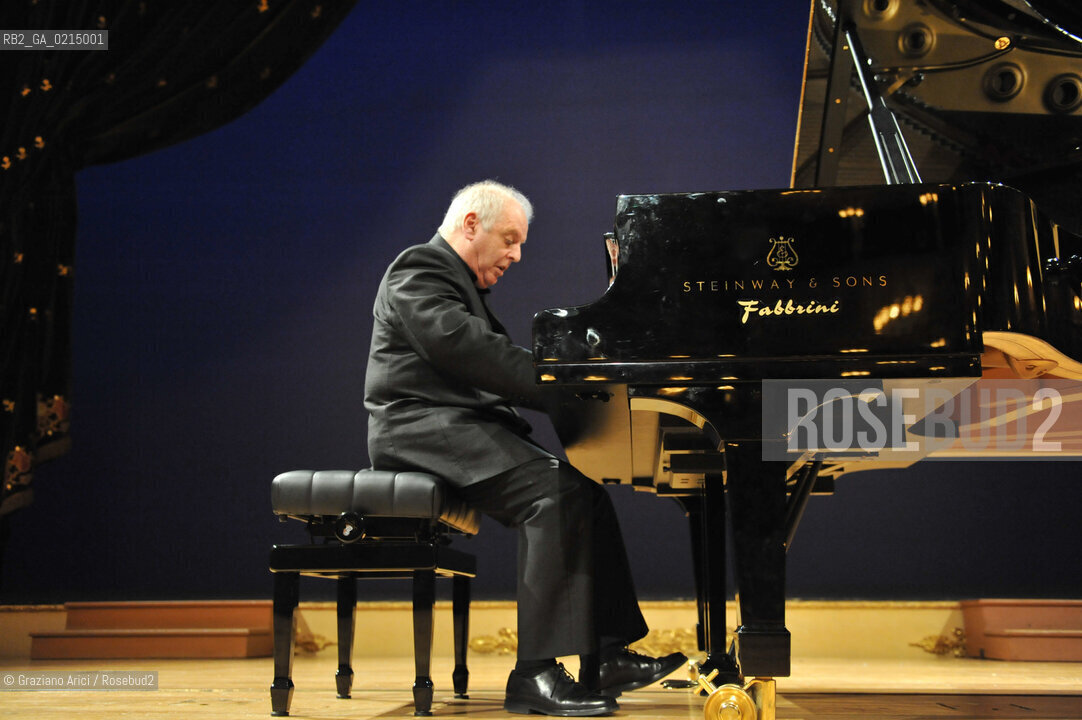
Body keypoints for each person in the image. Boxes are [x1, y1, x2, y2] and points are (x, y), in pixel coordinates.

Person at [364, 180, 685, 716]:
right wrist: (562, 384)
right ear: (471, 224)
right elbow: (465, 348)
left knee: (583, 488)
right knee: (554, 494)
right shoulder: (418, 267)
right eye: (509, 239)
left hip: (450, 426)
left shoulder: (454, 282)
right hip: (419, 430)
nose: (516, 254)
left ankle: (604, 654)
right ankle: (533, 674)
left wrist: (570, 387)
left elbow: (478, 356)